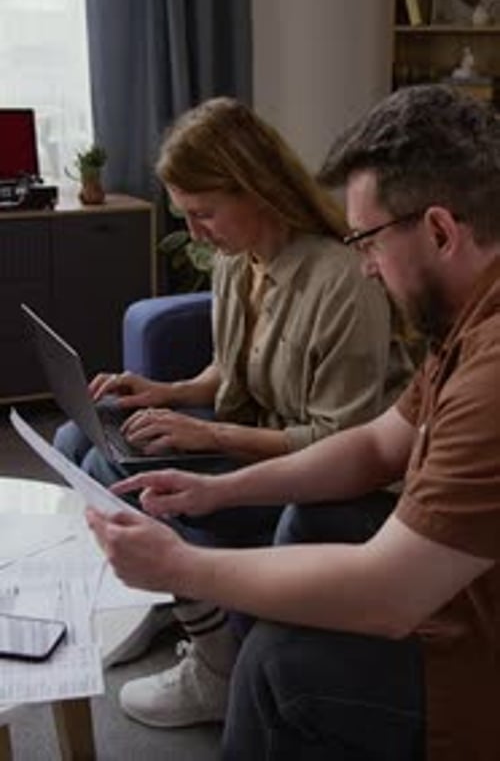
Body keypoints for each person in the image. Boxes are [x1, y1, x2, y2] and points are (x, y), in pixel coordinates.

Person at [87, 83, 500, 761]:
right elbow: (374, 444)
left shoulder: (491, 372)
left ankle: (241, 677)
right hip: (454, 579)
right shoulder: (466, 325)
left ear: (439, 232)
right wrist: (218, 490)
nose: (363, 265)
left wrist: (184, 566)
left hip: (479, 654)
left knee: (280, 667)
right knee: (312, 521)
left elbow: (392, 593)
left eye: (366, 240)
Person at [56, 97, 407, 726]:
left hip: (327, 474)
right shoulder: (237, 261)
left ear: (256, 188)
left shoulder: (343, 281)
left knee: (121, 474)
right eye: (185, 216)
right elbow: (231, 367)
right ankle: (164, 602)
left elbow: (343, 438)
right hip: (260, 438)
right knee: (78, 437)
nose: (196, 234)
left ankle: (216, 665)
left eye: (204, 213)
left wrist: (206, 431)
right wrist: (167, 392)